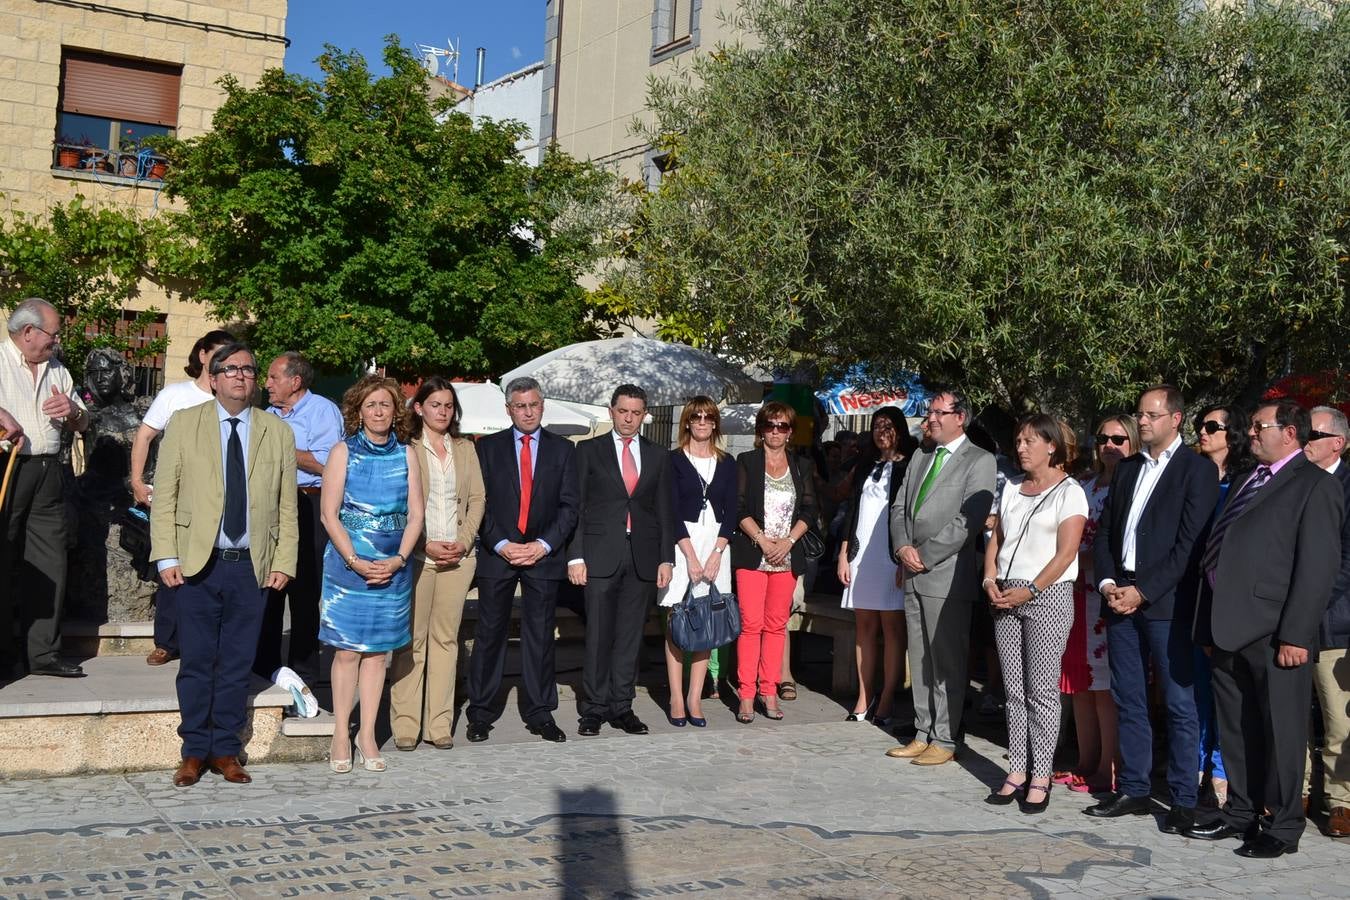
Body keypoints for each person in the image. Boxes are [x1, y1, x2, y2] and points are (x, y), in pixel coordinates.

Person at [1185, 399, 1343, 857]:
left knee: (1282, 733)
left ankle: (1285, 824)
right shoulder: (1245, 480)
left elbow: (1317, 569)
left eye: (1259, 427)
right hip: (1226, 626)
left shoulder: (1314, 485)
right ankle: (1240, 811)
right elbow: (1219, 552)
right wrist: (1206, 627)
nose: (1249, 433)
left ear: (1290, 433)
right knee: (1235, 728)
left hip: (1276, 632)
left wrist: (1296, 635)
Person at [149, 342, 298, 786]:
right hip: (197, 563)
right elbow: (166, 495)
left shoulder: (277, 432)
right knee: (196, 661)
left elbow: (286, 506)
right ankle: (194, 750)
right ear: (212, 378)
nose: (240, 376)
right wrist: (167, 555)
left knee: (237, 662)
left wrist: (284, 559)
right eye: (230, 369)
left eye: (249, 370)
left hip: (251, 565)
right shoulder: (184, 423)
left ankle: (226, 750)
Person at [1086, 385, 1219, 835]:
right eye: (1139, 414)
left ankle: (1182, 798)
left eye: (1151, 415)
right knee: (1129, 697)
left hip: (1165, 603)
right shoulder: (1126, 470)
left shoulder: (1195, 470)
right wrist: (1109, 584)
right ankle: (1136, 788)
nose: (1141, 422)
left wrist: (1143, 590)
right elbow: (1105, 533)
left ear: (1176, 419)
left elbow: (1189, 545)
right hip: (1120, 596)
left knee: (1180, 703)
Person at [982, 414, 1088, 813]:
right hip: (1005, 593)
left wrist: (1032, 589)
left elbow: (1066, 554)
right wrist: (990, 578)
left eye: (1029, 441)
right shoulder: (1010, 488)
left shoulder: (1070, 492)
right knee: (1013, 691)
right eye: (1019, 440)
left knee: (1041, 691)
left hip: (1047, 596)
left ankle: (1040, 775)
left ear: (1052, 446)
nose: (1021, 447)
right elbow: (997, 539)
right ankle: (1016, 770)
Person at [318, 375, 423, 774]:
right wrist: (354, 560)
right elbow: (329, 514)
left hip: (393, 565)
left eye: (384, 405)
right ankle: (341, 733)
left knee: (379, 654)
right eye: (370, 406)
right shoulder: (343, 451)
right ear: (357, 412)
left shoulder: (407, 454)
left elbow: (416, 514)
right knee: (346, 651)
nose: (378, 412)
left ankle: (368, 736)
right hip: (349, 566)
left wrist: (398, 560)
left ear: (395, 410)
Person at [467, 376, 578, 744]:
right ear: (508, 409)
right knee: (489, 635)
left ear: (542, 406)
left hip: (542, 557)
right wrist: (499, 543)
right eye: (520, 406)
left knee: (540, 637)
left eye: (533, 405)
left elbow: (569, 506)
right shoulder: (487, 448)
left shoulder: (563, 450)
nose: (528, 412)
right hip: (499, 556)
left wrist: (542, 545)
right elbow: (477, 504)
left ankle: (540, 712)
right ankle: (481, 713)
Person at [887, 388, 996, 766]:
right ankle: (923, 730)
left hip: (946, 574)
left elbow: (969, 520)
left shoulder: (979, 461)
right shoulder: (920, 456)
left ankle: (947, 737)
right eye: (929, 411)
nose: (930, 418)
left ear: (959, 417)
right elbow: (899, 506)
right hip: (913, 570)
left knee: (946, 659)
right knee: (918, 657)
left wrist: (925, 556)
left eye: (938, 412)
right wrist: (903, 548)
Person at [569, 384, 674, 737]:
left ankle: (622, 705)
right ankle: (594, 708)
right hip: (599, 555)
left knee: (631, 635)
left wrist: (666, 558)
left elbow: (664, 509)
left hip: (642, 556)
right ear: (611, 411)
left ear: (645, 415)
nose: (629, 418)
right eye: (623, 411)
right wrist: (576, 556)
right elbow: (577, 507)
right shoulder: (588, 451)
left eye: (636, 412)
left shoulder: (658, 455)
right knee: (598, 633)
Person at [388, 377, 485, 750]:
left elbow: (477, 499)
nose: (443, 412)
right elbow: (400, 504)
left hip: (458, 559)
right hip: (417, 556)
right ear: (419, 408)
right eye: (436, 405)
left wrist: (463, 542)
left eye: (448, 406)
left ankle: (439, 724)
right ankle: (407, 724)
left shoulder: (465, 449)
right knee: (412, 641)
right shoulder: (406, 448)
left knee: (447, 640)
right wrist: (425, 543)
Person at [129, 329, 232, 667]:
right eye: (218, 353)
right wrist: (138, 480)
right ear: (202, 355)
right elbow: (145, 436)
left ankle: (205, 641)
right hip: (175, 495)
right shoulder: (175, 395)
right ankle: (167, 641)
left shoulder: (231, 399)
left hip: (218, 497)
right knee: (171, 564)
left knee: (211, 569)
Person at [0, 297, 89, 681]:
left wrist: (73, 413)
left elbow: (83, 424)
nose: (57, 341)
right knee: (2, 559)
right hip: (7, 468)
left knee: (51, 560)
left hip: (50, 471)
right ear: (28, 332)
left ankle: (44, 653)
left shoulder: (59, 370)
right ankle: (3, 655)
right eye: (52, 334)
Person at [1056, 415, 1135, 795]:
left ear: (1133, 441)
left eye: (1118, 438)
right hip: (1074, 592)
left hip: (1110, 592)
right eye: (1102, 437)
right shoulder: (1084, 486)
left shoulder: (1134, 486)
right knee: (1078, 683)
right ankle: (1086, 760)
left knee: (1105, 685)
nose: (1109, 445)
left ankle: (1110, 766)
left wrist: (1085, 559)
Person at [256, 352, 344, 688]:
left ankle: (305, 673)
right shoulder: (267, 415)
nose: (267, 384)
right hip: (272, 507)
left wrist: (281, 448)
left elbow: (328, 464)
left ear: (295, 382)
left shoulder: (322, 411)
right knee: (269, 587)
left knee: (305, 594)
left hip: (310, 503)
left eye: (273, 377)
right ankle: (264, 667)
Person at [730, 401, 819, 723]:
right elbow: (738, 508)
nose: (776, 432)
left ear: (791, 431)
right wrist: (764, 541)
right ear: (761, 429)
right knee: (751, 626)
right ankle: (746, 693)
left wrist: (788, 541)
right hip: (754, 554)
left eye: (782, 426)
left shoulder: (801, 465)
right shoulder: (747, 461)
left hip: (787, 556)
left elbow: (810, 509)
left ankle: (769, 691)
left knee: (776, 627)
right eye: (770, 425)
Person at [1189, 403, 1254, 807]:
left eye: (1213, 426)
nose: (1204, 431)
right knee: (1195, 691)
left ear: (1233, 435)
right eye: (1201, 425)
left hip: (1227, 602)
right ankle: (1194, 769)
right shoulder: (1192, 477)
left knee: (1225, 695)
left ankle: (1222, 773)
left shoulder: (1246, 482)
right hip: (1191, 600)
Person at [657, 397, 736, 727]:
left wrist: (716, 553)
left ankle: (695, 697)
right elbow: (669, 510)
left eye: (708, 417)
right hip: (682, 544)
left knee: (707, 622)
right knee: (677, 621)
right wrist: (689, 557)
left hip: (716, 545)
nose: (702, 422)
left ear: (715, 423)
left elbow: (732, 510)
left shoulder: (727, 462)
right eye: (696, 417)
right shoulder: (672, 460)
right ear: (686, 422)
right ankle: (676, 696)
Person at [836, 408, 917, 725]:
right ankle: (864, 696)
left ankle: (886, 700)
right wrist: (844, 554)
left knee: (893, 631)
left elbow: (910, 515)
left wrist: (903, 557)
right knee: (864, 629)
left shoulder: (909, 466)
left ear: (899, 430)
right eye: (877, 425)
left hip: (891, 556)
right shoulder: (866, 465)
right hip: (861, 556)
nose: (882, 430)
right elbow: (852, 511)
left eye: (889, 425)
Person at [1302, 406, 1350, 837]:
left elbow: (1348, 561)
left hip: (1335, 622)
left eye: (1312, 433)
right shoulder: (1292, 482)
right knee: (1293, 713)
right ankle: (1293, 794)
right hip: (1291, 623)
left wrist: (1312, 601)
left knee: (1338, 719)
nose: (1303, 438)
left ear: (1338, 442)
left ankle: (1340, 800)